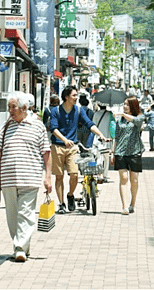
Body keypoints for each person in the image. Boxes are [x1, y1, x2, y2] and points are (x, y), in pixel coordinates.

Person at [0, 92, 52, 263]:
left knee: (25, 213)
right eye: (9, 107)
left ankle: (19, 248)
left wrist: (48, 177)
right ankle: (23, 245)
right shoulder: (6, 126)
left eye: (13, 107)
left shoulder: (38, 126)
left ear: (25, 108)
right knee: (12, 216)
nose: (10, 110)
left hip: (30, 177)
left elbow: (46, 152)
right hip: (8, 178)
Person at [49, 86, 110, 214]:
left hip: (73, 147)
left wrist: (101, 135)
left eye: (76, 95)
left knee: (75, 175)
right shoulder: (55, 111)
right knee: (59, 177)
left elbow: (89, 124)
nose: (77, 98)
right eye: (74, 95)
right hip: (57, 147)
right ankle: (61, 204)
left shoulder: (78, 110)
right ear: (66, 97)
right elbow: (53, 129)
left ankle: (70, 195)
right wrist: (64, 139)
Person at [112, 97, 145, 215]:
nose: (124, 106)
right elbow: (116, 137)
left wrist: (122, 114)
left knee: (134, 180)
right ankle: (124, 206)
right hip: (120, 152)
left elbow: (136, 121)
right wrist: (113, 152)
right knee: (124, 179)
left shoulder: (139, 117)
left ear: (133, 106)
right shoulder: (119, 120)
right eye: (124, 104)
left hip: (135, 152)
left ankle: (133, 203)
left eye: (127, 104)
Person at [92, 103, 116, 182]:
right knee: (106, 158)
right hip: (107, 138)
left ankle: (99, 175)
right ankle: (105, 175)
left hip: (98, 138)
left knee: (98, 157)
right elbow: (113, 126)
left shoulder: (96, 114)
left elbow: (93, 126)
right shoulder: (110, 114)